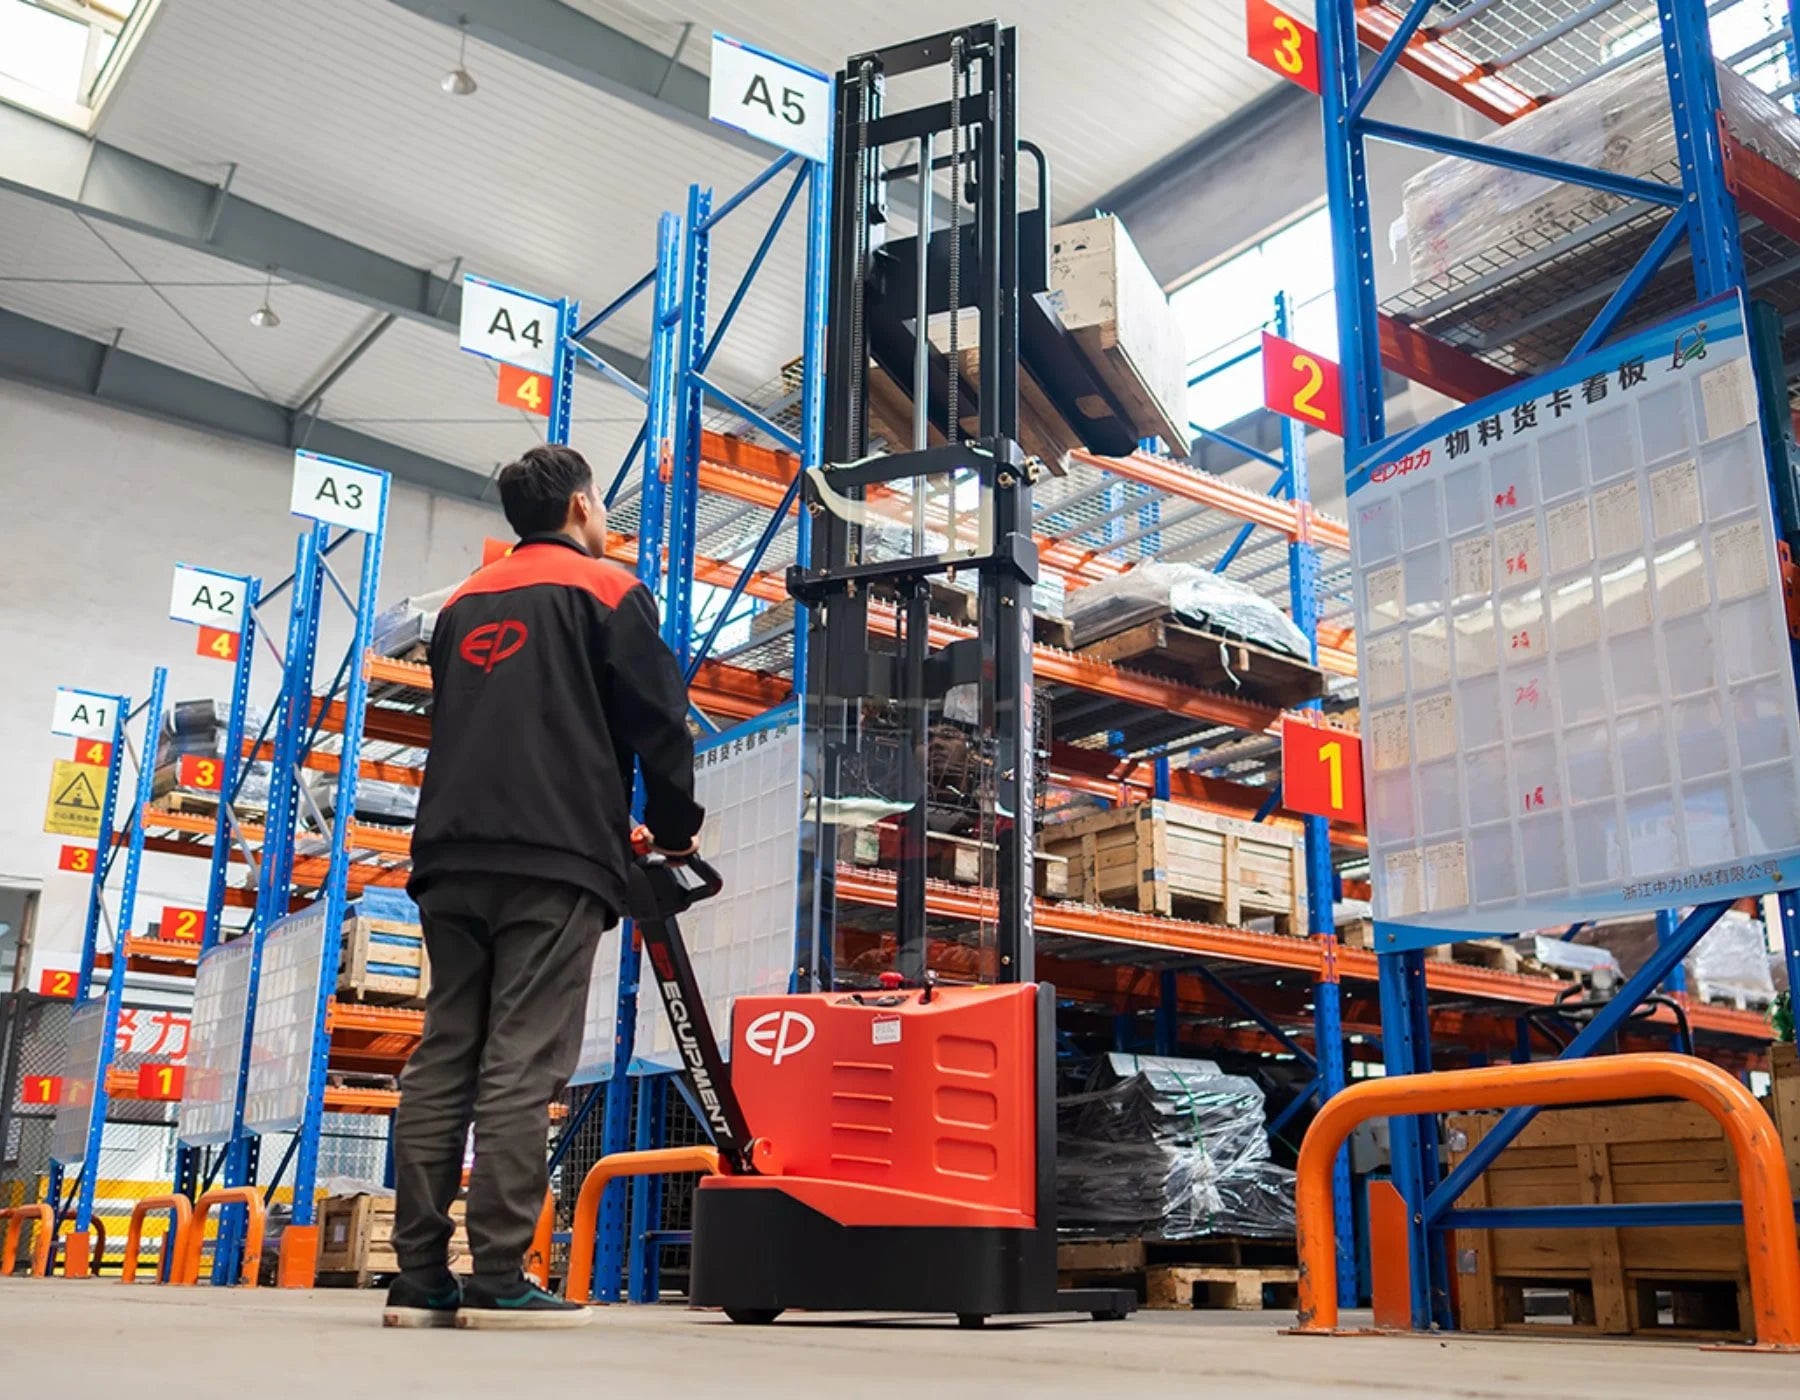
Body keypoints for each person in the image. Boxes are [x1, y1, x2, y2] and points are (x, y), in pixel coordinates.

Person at [384, 444, 703, 1330]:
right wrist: (674, 828)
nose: (606, 519)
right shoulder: (606, 591)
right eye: (601, 504)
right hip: (551, 861)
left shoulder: (462, 605)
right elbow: (659, 721)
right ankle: (497, 1276)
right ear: (577, 507)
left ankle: (418, 1277)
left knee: (445, 1054)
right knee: (522, 1061)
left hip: (450, 858)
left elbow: (496, 722)